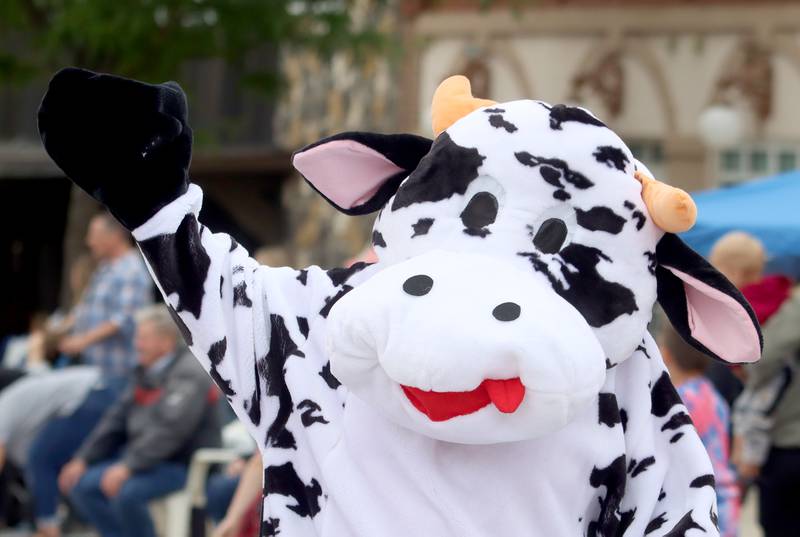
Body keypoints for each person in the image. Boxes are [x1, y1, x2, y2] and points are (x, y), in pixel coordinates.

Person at [59, 305, 221, 537]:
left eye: (143, 338)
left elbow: (171, 431)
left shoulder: (191, 372)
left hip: (181, 464)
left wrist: (128, 466)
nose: (136, 344)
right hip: (144, 463)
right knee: (82, 486)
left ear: (165, 342)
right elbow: (114, 421)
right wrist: (83, 459)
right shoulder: (143, 372)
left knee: (127, 493)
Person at [659, 323, 740, 537]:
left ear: (664, 355)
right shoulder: (714, 396)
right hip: (724, 502)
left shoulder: (677, 404)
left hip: (696, 507)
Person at [0, 367, 100, 529]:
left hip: (91, 391)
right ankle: (74, 518)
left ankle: (48, 527)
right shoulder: (21, 418)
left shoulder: (5, 405)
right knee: (52, 464)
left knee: (40, 459)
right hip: (88, 393)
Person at [61, 212, 152, 380]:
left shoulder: (132, 270)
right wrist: (60, 329)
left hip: (116, 370)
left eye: (94, 235)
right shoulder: (105, 267)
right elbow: (86, 307)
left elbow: (123, 319)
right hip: (94, 366)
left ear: (115, 236)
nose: (89, 241)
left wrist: (82, 341)